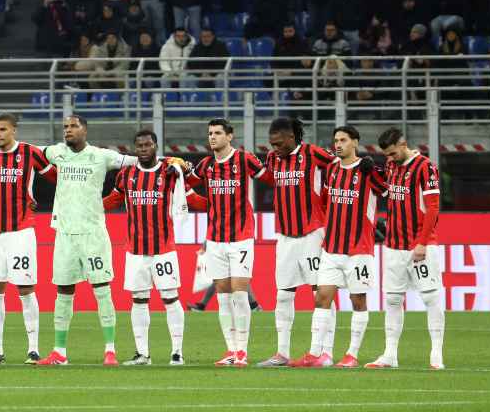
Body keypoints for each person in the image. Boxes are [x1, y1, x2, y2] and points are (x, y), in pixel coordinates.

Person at [37, 115, 177, 366]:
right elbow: (27, 151)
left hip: (94, 235)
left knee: (102, 291)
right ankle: (59, 352)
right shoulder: (56, 152)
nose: (68, 130)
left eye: (73, 126)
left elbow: (141, 159)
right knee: (63, 292)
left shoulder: (102, 156)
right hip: (65, 233)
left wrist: (174, 162)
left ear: (85, 130)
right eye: (65, 127)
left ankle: (110, 351)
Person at [103, 129, 205, 366]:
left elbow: (191, 184)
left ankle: (177, 352)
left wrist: (183, 168)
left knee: (170, 298)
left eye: (148, 145)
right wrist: (88, 206)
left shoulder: (169, 171)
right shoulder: (126, 174)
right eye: (139, 146)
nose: (143, 149)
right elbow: (114, 200)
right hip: (135, 250)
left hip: (164, 249)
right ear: (134, 149)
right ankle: (142, 354)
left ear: (156, 146)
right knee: (139, 300)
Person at [296, 125, 387, 369]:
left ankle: (352, 354)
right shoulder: (333, 169)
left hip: (359, 250)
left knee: (358, 301)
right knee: (321, 298)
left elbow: (386, 189)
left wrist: (375, 171)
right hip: (332, 248)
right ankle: (317, 353)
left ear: (355, 142)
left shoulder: (368, 170)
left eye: (343, 140)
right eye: (335, 140)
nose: (338, 144)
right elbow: (326, 201)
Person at [188, 118, 270, 366]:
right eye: (210, 133)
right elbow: (187, 186)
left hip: (240, 238)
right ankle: (230, 350)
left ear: (230, 136)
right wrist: (179, 176)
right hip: (215, 239)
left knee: (239, 292)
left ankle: (242, 351)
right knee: (222, 295)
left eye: (218, 133)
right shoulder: (205, 164)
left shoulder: (244, 159)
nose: (212, 137)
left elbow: (270, 179)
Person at [0, 113, 57, 364]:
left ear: (14, 131)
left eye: (2, 129)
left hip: (21, 232)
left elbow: (54, 177)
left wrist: (36, 200)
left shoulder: (30, 152)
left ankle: (33, 349)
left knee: (24, 287)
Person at [257, 117, 337, 368]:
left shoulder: (313, 154)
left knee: (321, 293)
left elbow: (343, 167)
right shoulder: (273, 159)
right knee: (283, 295)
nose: (274, 148)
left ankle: (325, 352)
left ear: (291, 137)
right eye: (271, 144)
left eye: (279, 143)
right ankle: (281, 353)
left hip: (312, 234)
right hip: (284, 236)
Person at [366, 127, 445, 370]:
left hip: (419, 245)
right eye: (386, 155)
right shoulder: (391, 166)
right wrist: (372, 173)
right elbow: (389, 193)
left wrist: (422, 241)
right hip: (393, 245)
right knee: (392, 299)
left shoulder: (425, 166)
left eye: (391, 153)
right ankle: (390, 354)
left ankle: (436, 354)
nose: (389, 159)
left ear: (403, 145)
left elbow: (433, 207)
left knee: (431, 296)